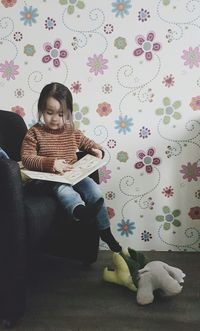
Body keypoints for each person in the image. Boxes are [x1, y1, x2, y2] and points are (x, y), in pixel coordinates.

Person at [21, 82, 122, 252]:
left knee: (93, 189)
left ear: (68, 113)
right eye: (49, 113)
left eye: (61, 114)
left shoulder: (71, 131)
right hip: (48, 180)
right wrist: (51, 163)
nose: (55, 119)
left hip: (73, 174)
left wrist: (96, 149)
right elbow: (27, 158)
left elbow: (85, 142)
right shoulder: (34, 133)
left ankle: (105, 231)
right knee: (64, 189)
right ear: (41, 111)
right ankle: (79, 212)